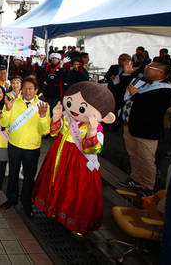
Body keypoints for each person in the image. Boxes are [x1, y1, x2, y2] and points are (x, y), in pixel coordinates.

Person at [32, 82, 116, 233]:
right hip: (60, 154)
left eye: (82, 108)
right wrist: (56, 117)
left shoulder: (96, 127)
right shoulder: (67, 117)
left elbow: (93, 148)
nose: (74, 109)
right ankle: (54, 210)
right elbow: (53, 132)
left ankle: (72, 221)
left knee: (75, 189)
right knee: (57, 181)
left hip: (79, 163)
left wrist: (91, 131)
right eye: (69, 103)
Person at [119, 61, 171, 194]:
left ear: (160, 73)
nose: (146, 68)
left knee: (146, 158)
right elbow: (123, 92)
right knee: (133, 154)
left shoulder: (167, 89)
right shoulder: (142, 82)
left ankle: (148, 186)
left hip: (146, 130)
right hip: (130, 125)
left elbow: (151, 106)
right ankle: (136, 178)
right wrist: (127, 74)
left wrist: (136, 94)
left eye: (150, 67)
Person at [0, 78, 50, 217]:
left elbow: (45, 131)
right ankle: (11, 199)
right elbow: (3, 123)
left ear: (36, 90)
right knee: (13, 174)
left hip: (32, 147)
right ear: (21, 89)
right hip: (14, 145)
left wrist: (42, 116)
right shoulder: (13, 103)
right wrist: (8, 111)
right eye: (25, 88)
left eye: (30, 88)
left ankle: (27, 202)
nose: (27, 91)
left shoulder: (43, 106)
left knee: (29, 176)